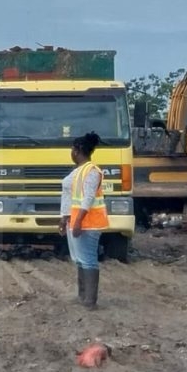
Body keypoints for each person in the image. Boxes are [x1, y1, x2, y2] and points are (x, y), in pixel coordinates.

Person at [59, 132, 108, 310]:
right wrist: (64, 219)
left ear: (78, 150)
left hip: (89, 224)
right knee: (80, 260)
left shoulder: (92, 171)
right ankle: (82, 295)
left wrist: (78, 221)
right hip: (77, 222)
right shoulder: (78, 171)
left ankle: (90, 300)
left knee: (88, 260)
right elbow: (69, 195)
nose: (71, 152)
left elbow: (87, 199)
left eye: (72, 149)